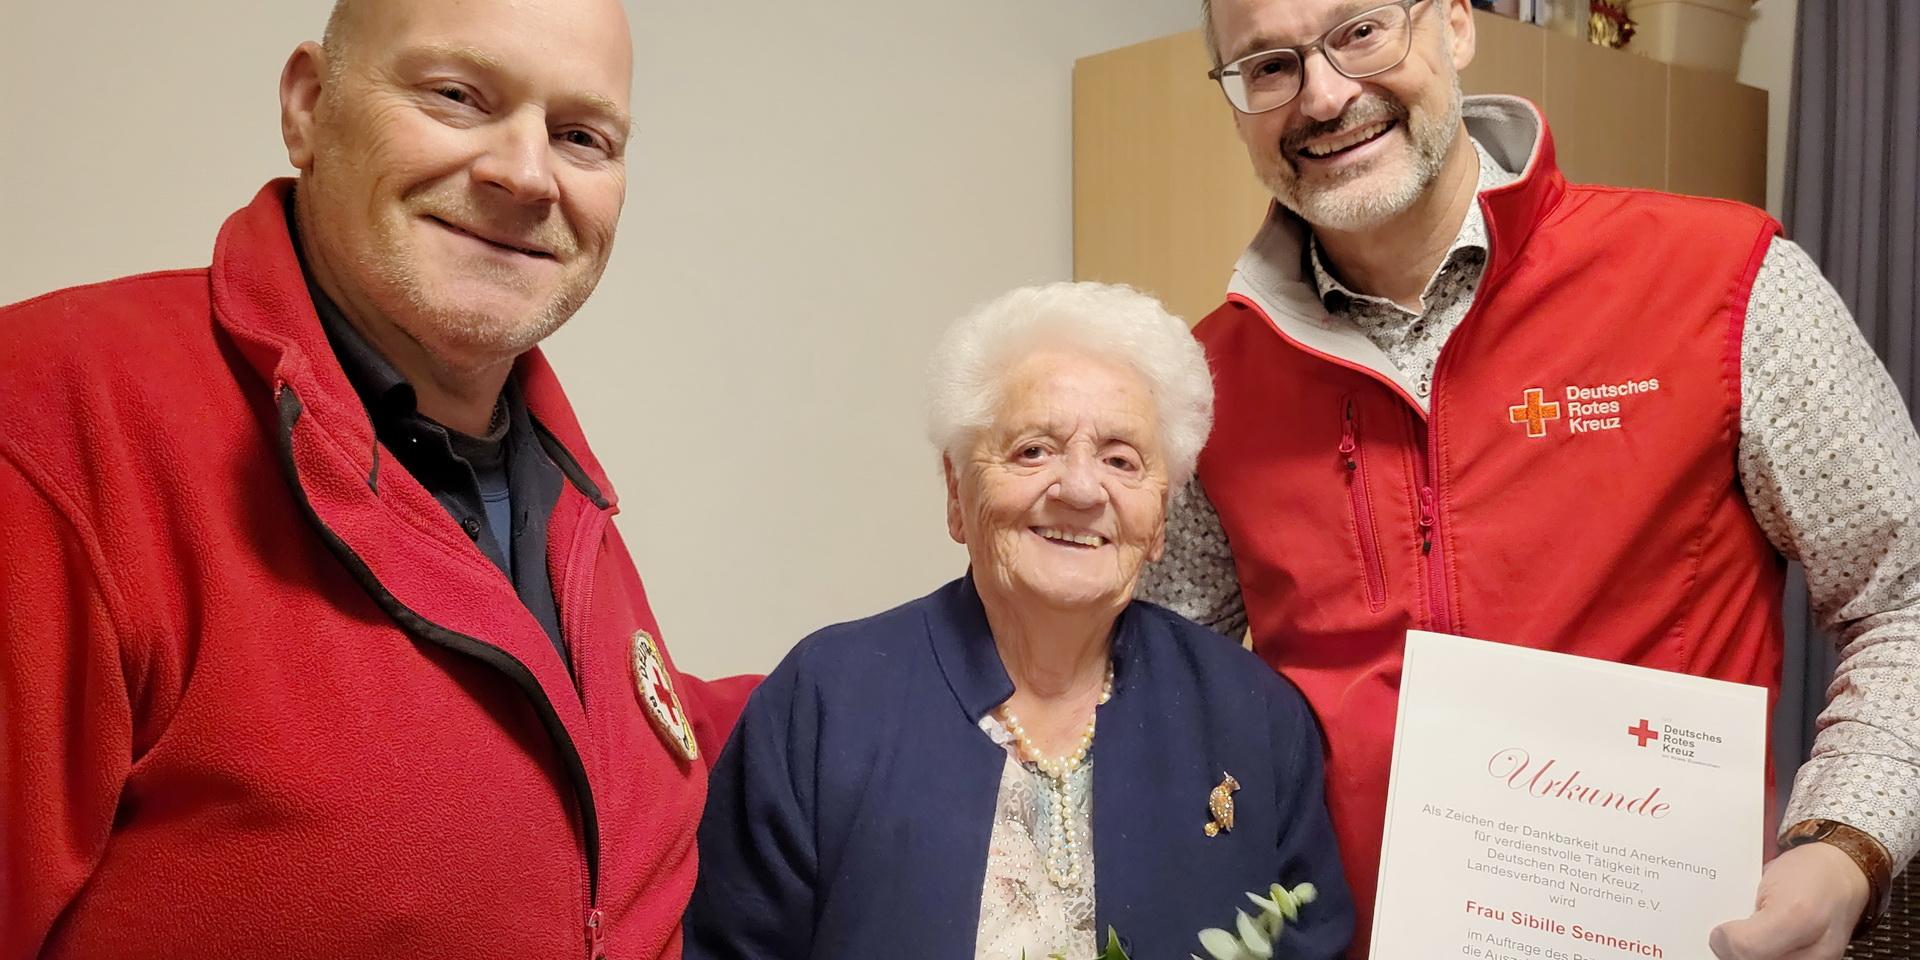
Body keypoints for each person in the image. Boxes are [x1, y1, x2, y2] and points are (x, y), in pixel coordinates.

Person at [1137, 0, 1920, 957]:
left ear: (1455, 25)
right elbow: (1170, 686)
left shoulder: (1723, 279)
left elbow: (1906, 589)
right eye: (1267, 65)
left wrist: (1845, 844)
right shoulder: (1204, 384)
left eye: (1362, 30)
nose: (1326, 94)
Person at [0, 1, 755, 956]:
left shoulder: (548, 476)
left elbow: (575, 763)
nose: (526, 174)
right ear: (309, 104)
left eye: (580, 135)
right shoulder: (49, 429)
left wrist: (880, 684)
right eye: (457, 96)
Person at [684, 282, 1354, 960]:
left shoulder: (1253, 717)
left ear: (1161, 518)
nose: (1081, 490)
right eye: (1034, 450)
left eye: (1122, 460)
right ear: (956, 491)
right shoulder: (825, 701)